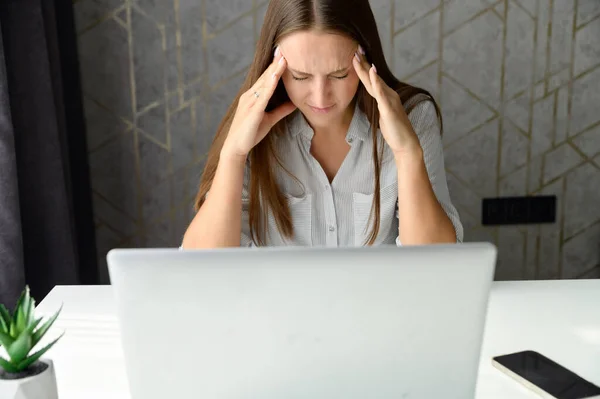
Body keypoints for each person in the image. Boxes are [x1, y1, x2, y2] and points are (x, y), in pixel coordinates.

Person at [182, 0, 463, 249]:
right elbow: (202, 269)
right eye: (300, 76)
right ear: (273, 68)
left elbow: (439, 264)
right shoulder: (252, 126)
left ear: (365, 59)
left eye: (339, 75)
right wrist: (233, 155)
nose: (320, 97)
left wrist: (407, 154)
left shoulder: (412, 116)